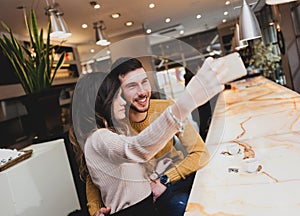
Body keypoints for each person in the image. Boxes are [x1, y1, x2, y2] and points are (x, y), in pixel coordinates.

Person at [84, 57, 226, 216]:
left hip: (175, 178)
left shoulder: (165, 108)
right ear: (118, 93)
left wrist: (165, 179)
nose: (142, 92)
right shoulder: (116, 124)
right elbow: (95, 176)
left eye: (144, 82)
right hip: (146, 195)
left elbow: (200, 154)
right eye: (131, 86)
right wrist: (95, 210)